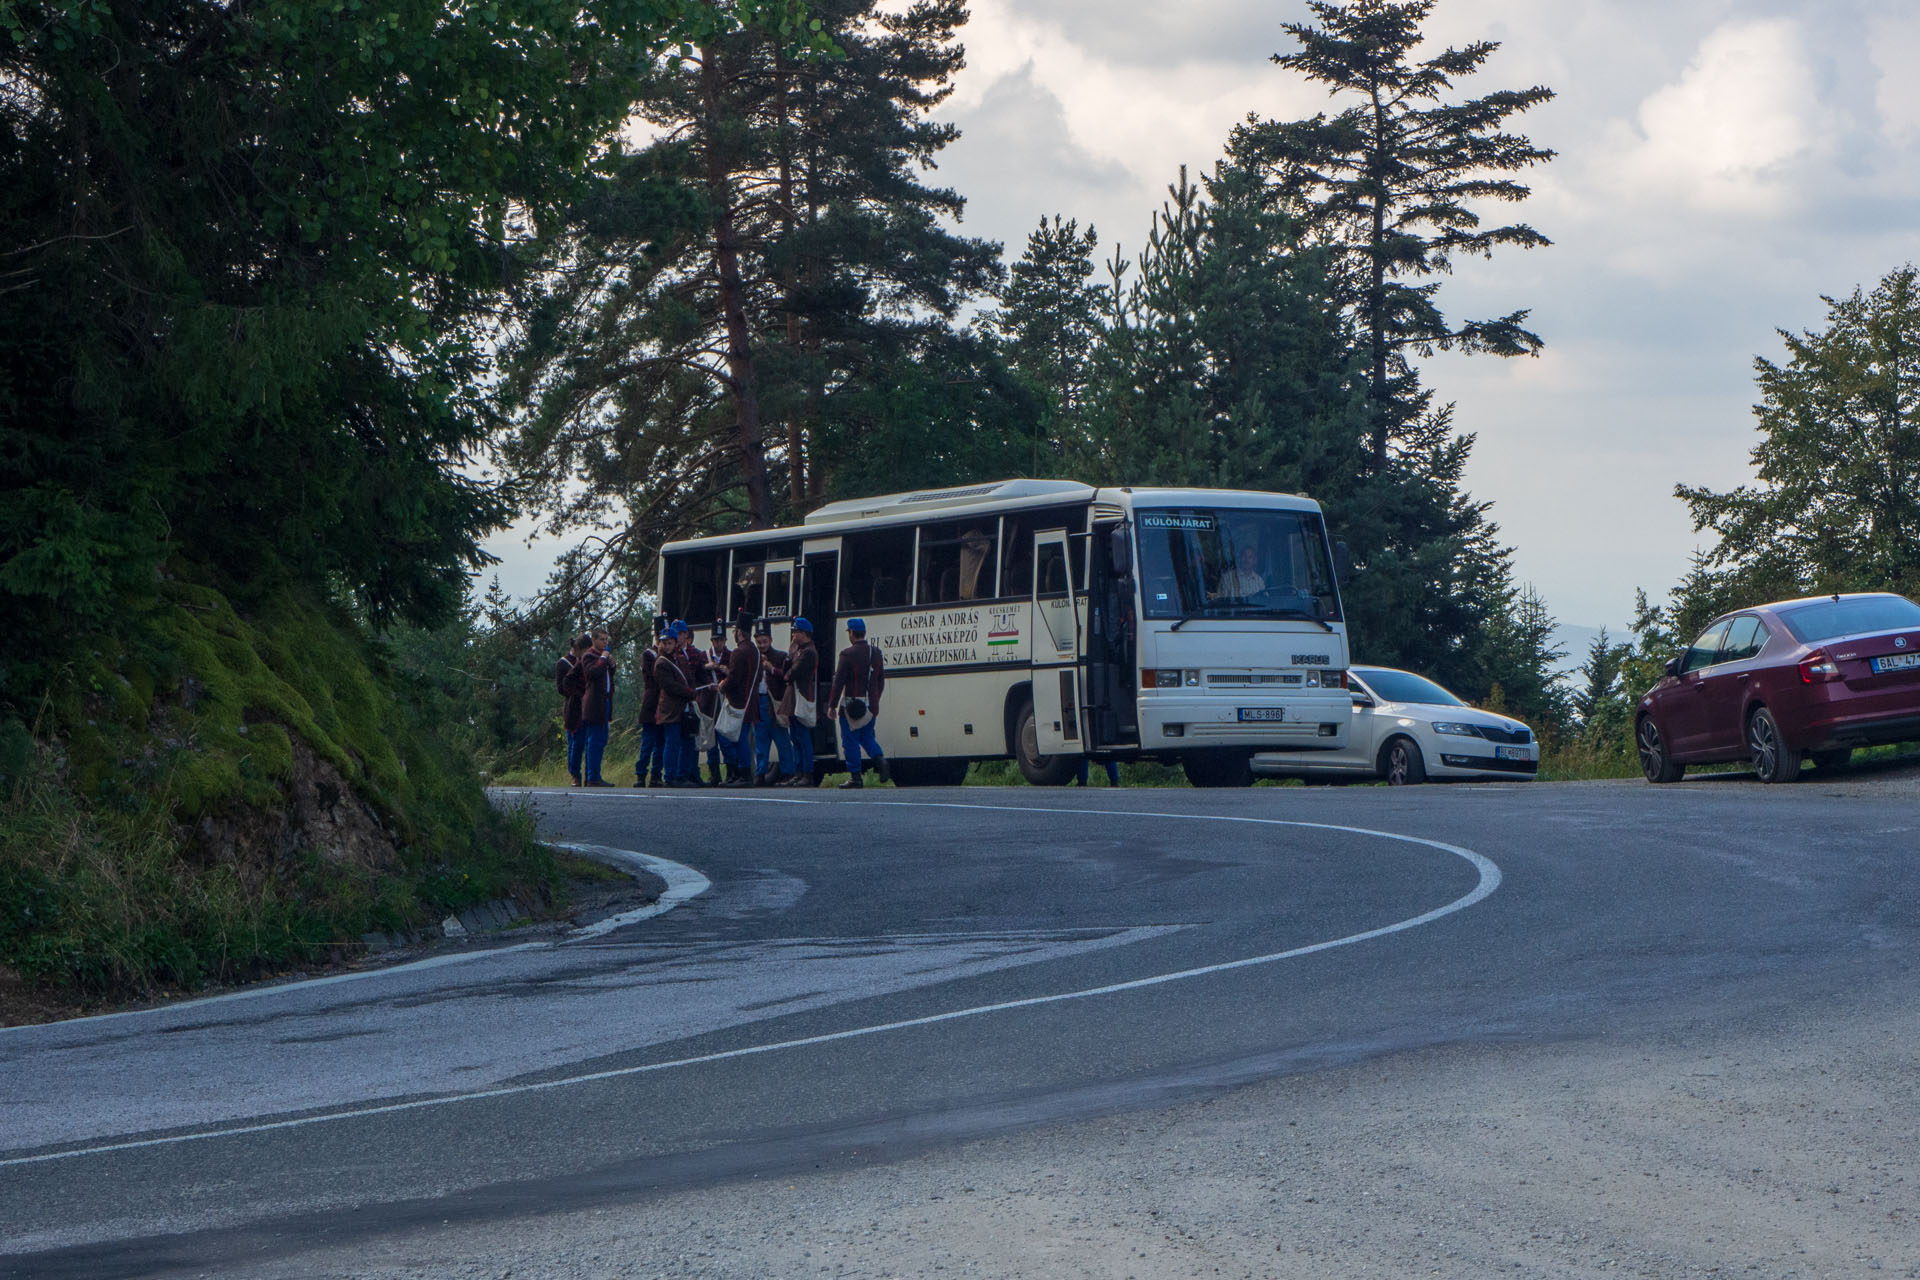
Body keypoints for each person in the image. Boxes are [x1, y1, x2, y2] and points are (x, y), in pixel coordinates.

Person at [828, 617, 888, 788]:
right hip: (870, 706)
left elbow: (838, 683)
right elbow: (880, 680)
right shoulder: (876, 652)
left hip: (851, 707)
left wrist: (832, 705)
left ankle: (855, 776)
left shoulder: (847, 654)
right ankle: (880, 759)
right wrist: (875, 701)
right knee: (867, 736)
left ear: (852, 633)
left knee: (850, 740)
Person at [720, 615, 763, 787]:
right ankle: (741, 772)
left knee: (735, 738)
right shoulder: (756, 651)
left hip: (738, 703)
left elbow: (734, 678)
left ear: (738, 632)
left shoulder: (738, 652)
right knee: (742, 737)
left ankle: (743, 773)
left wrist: (723, 685)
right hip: (751, 701)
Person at [752, 619, 795, 785]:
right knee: (760, 741)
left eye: (764, 641)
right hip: (759, 702)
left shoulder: (780, 656)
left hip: (775, 702)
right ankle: (760, 773)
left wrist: (771, 669)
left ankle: (788, 772)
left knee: (782, 739)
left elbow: (786, 677)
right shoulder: (753, 658)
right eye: (759, 642)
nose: (762, 645)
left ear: (770, 640)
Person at [778, 617, 820, 787]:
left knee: (803, 737)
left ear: (804, 633)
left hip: (802, 695)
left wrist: (787, 674)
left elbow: (791, 674)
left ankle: (807, 773)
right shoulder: (798, 650)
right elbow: (785, 669)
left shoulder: (809, 652)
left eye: (796, 632)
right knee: (794, 736)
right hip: (794, 696)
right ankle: (798, 772)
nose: (794, 635)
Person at [651, 626, 694, 786]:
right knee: (672, 743)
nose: (667, 646)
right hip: (670, 708)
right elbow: (670, 686)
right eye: (665, 643)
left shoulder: (680, 658)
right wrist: (689, 692)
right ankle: (670, 776)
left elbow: (689, 678)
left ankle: (682, 775)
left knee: (686, 742)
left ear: (675, 643)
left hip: (684, 707)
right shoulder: (661, 663)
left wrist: (693, 690)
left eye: (670, 643)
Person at [578, 627, 616, 787]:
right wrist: (603, 659)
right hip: (594, 704)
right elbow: (592, 673)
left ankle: (594, 775)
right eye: (602, 639)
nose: (605, 643)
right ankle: (592, 776)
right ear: (593, 640)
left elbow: (606, 677)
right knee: (594, 740)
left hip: (604, 702)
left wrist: (612, 665)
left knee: (601, 739)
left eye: (606, 640)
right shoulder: (589, 656)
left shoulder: (602, 658)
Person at [555, 633, 591, 786]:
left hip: (589, 705)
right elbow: (561, 688)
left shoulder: (587, 661)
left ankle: (590, 775)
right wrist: (578, 692)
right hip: (573, 706)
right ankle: (575, 774)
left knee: (588, 741)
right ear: (578, 649)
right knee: (575, 742)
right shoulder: (564, 663)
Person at [634, 618, 666, 787]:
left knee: (661, 742)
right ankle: (640, 774)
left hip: (665, 706)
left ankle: (656, 775)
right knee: (648, 742)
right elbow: (654, 677)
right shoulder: (649, 655)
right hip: (651, 702)